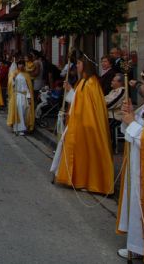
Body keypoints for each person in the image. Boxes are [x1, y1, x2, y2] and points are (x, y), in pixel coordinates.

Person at [51, 53, 114, 195]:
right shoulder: (83, 82)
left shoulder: (91, 83)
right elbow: (78, 101)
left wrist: (70, 91)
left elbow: (89, 107)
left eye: (79, 64)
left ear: (84, 66)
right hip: (78, 124)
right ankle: (76, 178)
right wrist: (70, 90)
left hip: (87, 125)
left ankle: (89, 181)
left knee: (86, 154)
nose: (77, 66)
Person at [116, 67, 144, 260]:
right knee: (136, 205)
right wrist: (130, 117)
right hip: (137, 161)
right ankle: (136, 246)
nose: (141, 86)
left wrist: (132, 122)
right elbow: (137, 126)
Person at [6, 60, 35, 135]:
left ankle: (23, 127)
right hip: (17, 96)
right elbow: (11, 84)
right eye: (19, 64)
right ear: (17, 65)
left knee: (24, 112)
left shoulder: (26, 75)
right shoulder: (14, 73)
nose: (21, 66)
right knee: (18, 112)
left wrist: (28, 97)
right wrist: (13, 79)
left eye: (22, 64)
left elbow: (28, 87)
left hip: (24, 96)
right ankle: (19, 129)